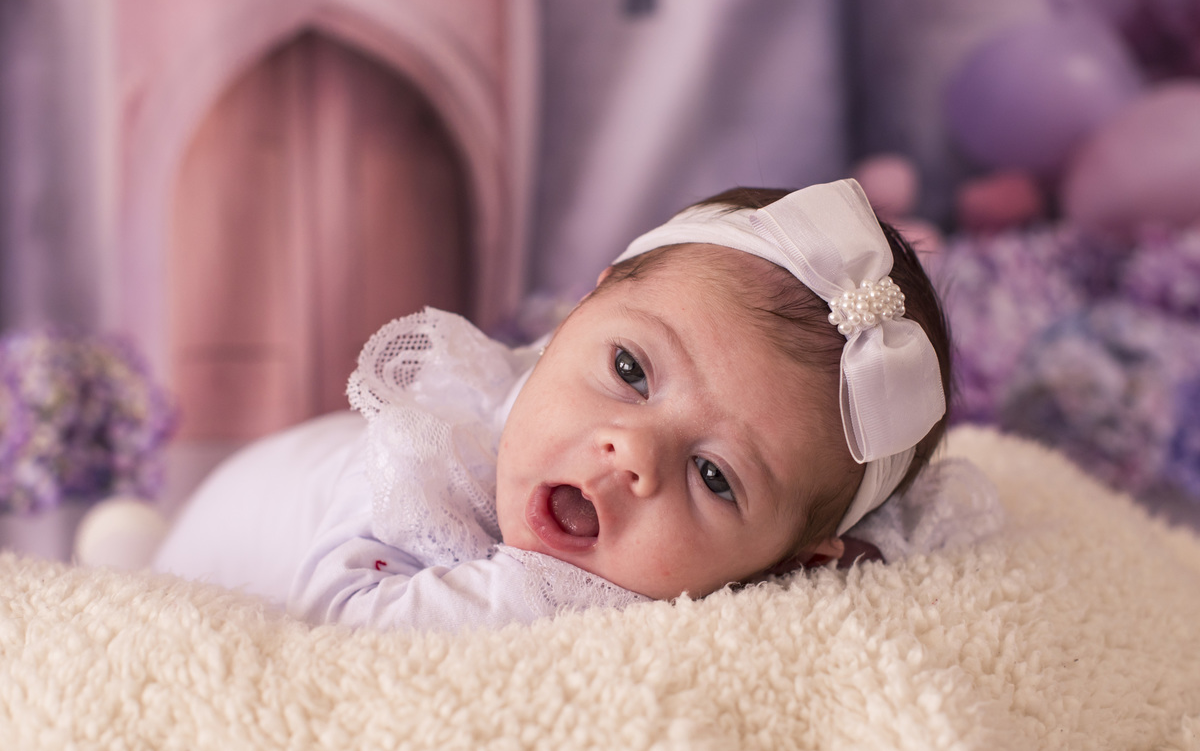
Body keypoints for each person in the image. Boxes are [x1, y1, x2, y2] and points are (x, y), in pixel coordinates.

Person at [150, 178, 956, 632]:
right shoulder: (418, 466)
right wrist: (556, 589)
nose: (632, 453)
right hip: (205, 550)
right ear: (580, 309)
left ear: (787, 566)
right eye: (632, 371)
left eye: (714, 477)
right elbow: (349, 630)